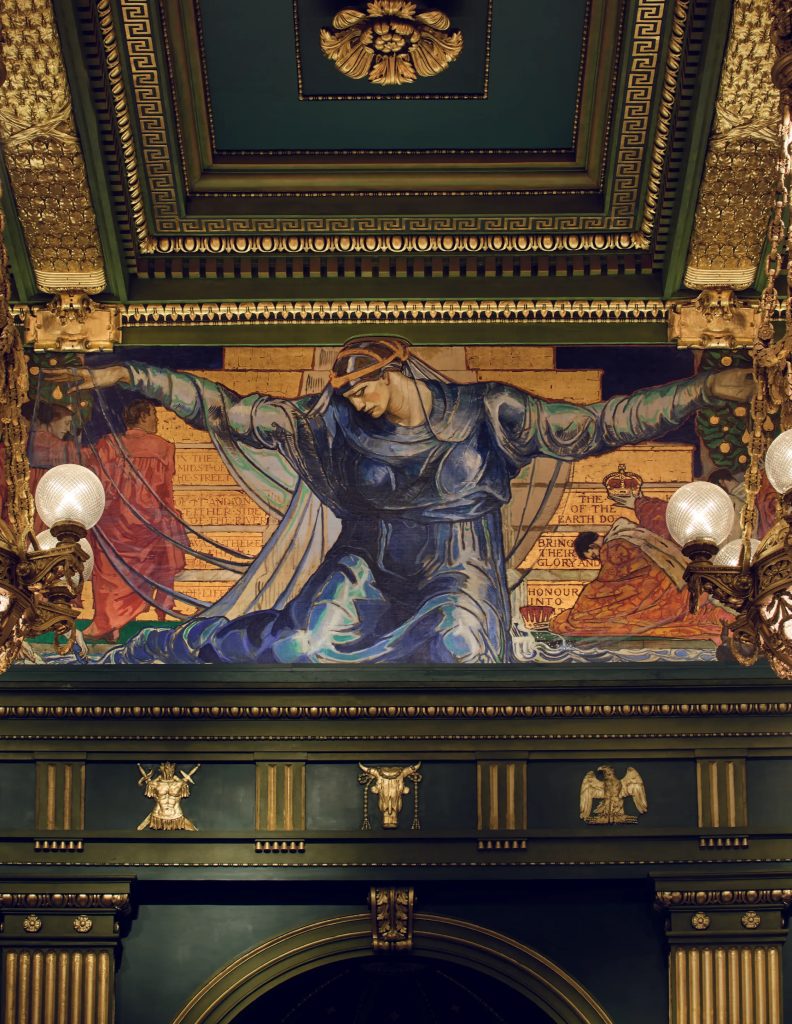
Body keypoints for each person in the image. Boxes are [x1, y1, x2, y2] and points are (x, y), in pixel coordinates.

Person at [46, 336, 752, 664]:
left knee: (457, 652)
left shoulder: (489, 410)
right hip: (366, 565)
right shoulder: (329, 424)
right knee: (297, 647)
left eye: (364, 387)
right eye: (347, 394)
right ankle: (186, 640)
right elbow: (226, 409)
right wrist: (135, 372)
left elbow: (598, 428)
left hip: (457, 570)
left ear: (397, 367)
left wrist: (695, 392)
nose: (356, 402)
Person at [550, 488, 729, 640]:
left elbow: (610, 584)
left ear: (591, 546)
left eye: (593, 556)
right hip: (682, 589)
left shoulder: (613, 547)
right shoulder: (627, 532)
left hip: (666, 597)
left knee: (584, 609)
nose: (598, 559)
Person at [83, 399, 188, 643]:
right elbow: (164, 489)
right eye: (153, 416)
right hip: (148, 519)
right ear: (142, 417)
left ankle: (109, 622)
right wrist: (168, 514)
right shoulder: (162, 447)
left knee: (108, 568)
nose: (157, 421)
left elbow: (98, 482)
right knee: (148, 563)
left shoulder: (108, 444)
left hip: (113, 519)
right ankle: (126, 618)